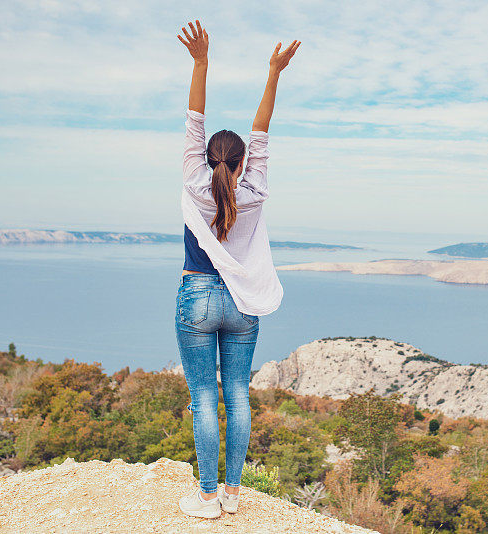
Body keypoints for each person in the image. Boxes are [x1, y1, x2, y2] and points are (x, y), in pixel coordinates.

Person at [174, 19, 300, 519]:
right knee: (238, 395)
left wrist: (201, 62)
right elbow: (261, 130)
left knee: (204, 395)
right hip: (244, 303)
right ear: (245, 164)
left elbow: (194, 119)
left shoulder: (193, 182)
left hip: (198, 296)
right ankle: (233, 493)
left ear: (205, 160)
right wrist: (274, 73)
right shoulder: (256, 189)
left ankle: (206, 498)